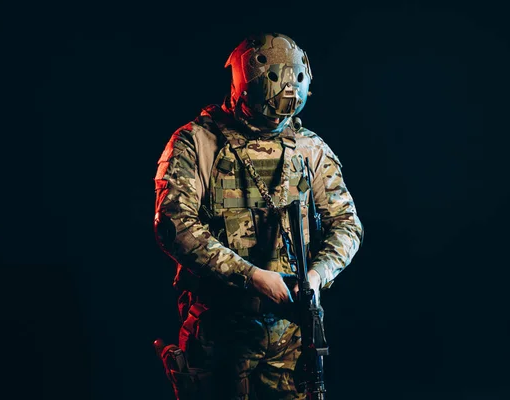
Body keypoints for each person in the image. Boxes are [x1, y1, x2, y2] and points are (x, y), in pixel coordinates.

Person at [153, 32, 363, 399]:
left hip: (292, 341)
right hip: (220, 336)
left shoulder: (309, 149)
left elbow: (347, 224)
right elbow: (176, 227)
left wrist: (316, 276)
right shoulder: (197, 143)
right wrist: (252, 277)